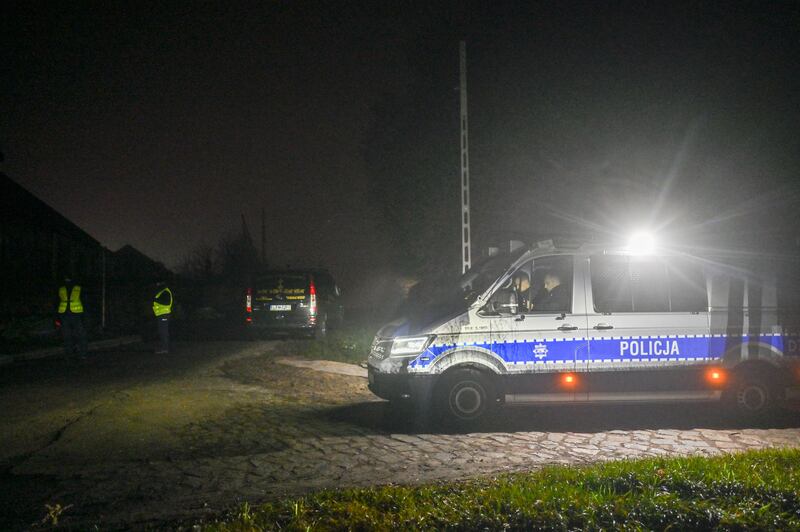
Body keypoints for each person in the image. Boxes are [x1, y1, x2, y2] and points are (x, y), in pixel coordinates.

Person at [57, 276, 87, 359]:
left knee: (80, 335)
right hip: (64, 315)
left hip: (77, 315)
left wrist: (85, 317)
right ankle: (69, 353)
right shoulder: (61, 289)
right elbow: (56, 302)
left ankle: (82, 353)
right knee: (67, 336)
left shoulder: (78, 288)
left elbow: (85, 302)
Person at [152, 281, 173, 354]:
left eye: (158, 284)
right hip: (162, 314)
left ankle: (164, 349)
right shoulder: (163, 291)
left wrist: (155, 300)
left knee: (163, 332)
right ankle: (164, 348)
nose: (157, 285)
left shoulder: (165, 292)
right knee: (163, 331)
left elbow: (166, 302)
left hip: (164, 314)